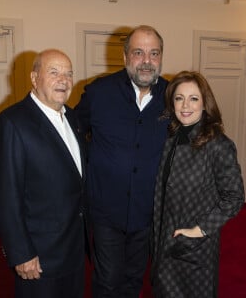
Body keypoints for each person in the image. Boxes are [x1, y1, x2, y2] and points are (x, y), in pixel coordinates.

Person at [0, 49, 89, 298]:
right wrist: (21, 253)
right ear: (34, 78)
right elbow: (5, 197)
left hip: (74, 250)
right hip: (39, 257)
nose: (63, 80)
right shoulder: (10, 123)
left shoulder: (73, 117)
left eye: (68, 73)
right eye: (53, 72)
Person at [74, 25, 168, 297]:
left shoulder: (173, 96)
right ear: (125, 56)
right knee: (108, 280)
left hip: (147, 212)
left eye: (154, 53)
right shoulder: (98, 93)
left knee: (134, 279)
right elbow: (73, 134)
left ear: (161, 57)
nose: (147, 61)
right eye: (138, 52)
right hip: (106, 211)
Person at [150, 71, 245, 298]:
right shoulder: (170, 139)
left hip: (195, 249)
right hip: (163, 241)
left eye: (193, 98)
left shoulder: (218, 145)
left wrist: (199, 230)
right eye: (179, 98)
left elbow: (234, 198)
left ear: (205, 104)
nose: (185, 105)